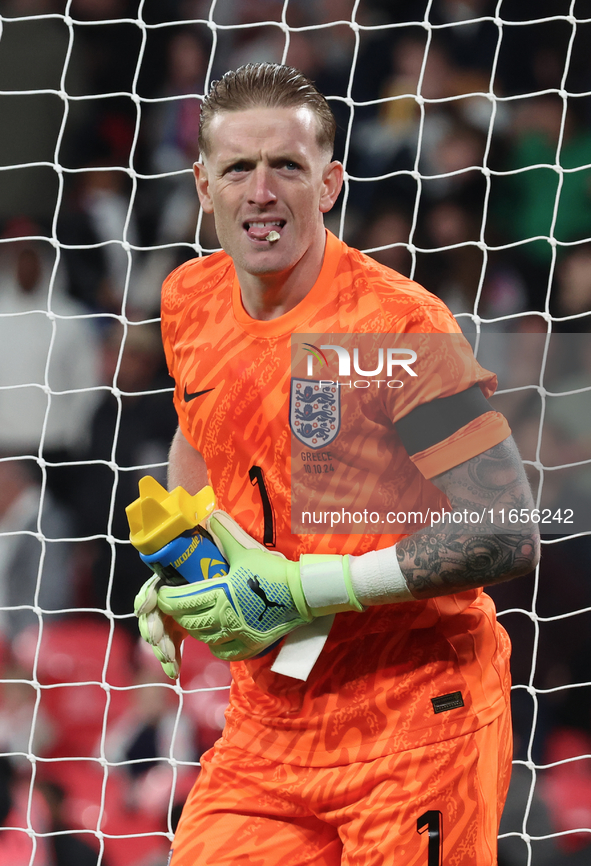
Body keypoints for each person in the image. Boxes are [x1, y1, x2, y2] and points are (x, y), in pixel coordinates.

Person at [133, 63, 540, 865]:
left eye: (286, 165)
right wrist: (197, 566)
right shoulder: (188, 299)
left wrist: (305, 588)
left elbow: (506, 532)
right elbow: (198, 437)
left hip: (417, 713)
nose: (261, 191)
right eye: (238, 167)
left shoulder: (397, 327)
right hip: (270, 721)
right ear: (202, 184)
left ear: (328, 184)